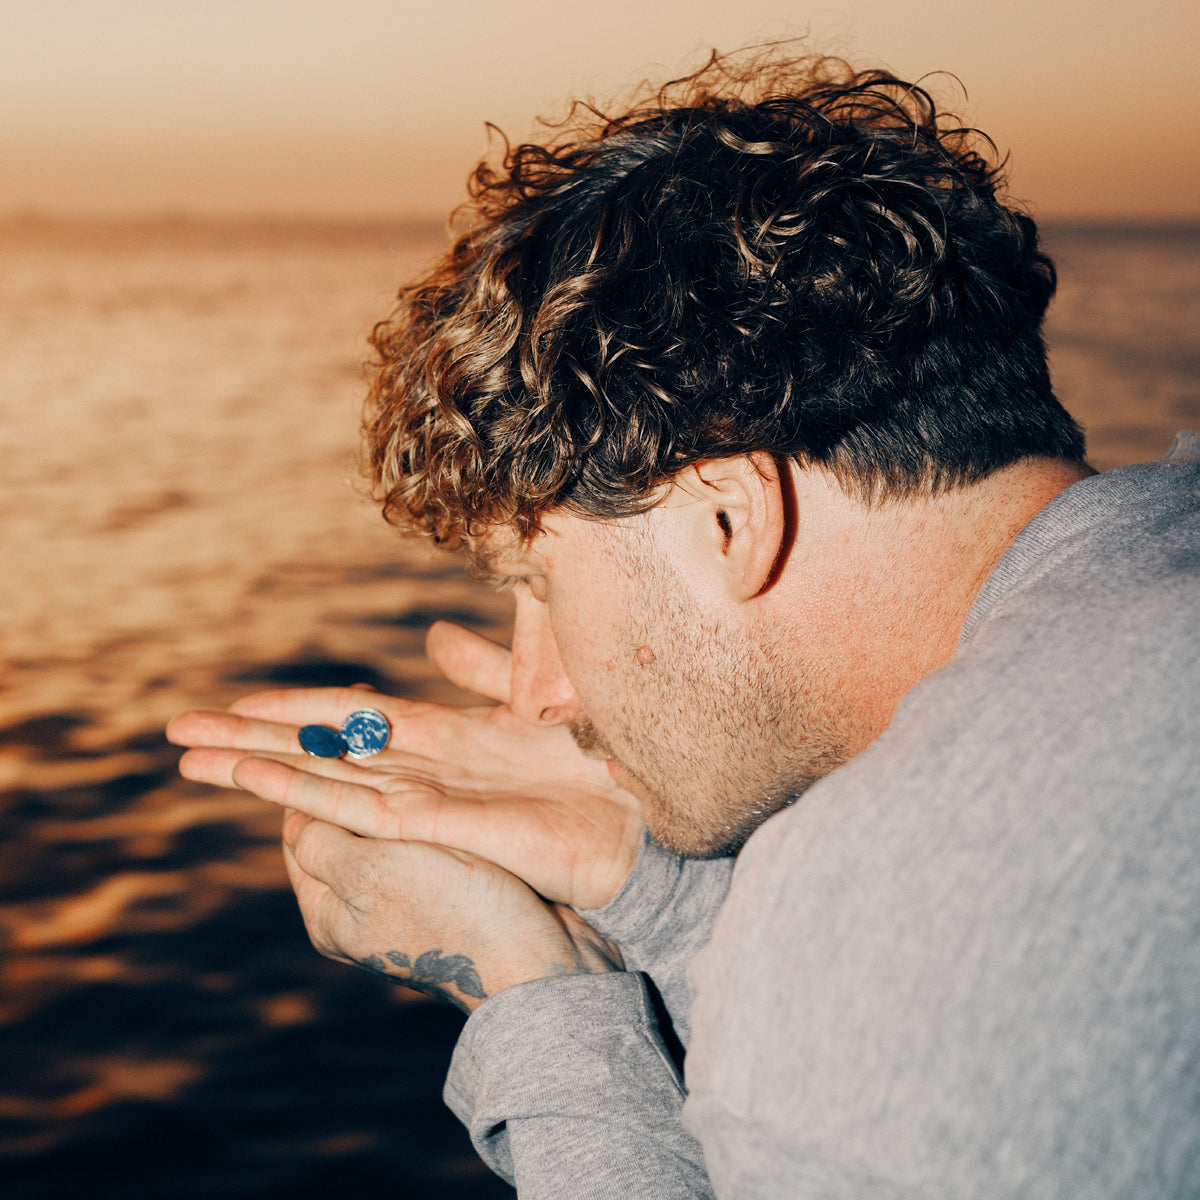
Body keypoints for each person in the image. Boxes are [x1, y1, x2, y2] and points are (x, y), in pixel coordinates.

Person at [168, 46, 1200, 1198]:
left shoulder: (912, 931)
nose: (539, 695)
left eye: (538, 585)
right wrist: (653, 894)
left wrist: (533, 989)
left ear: (726, 521)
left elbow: (904, 1001)